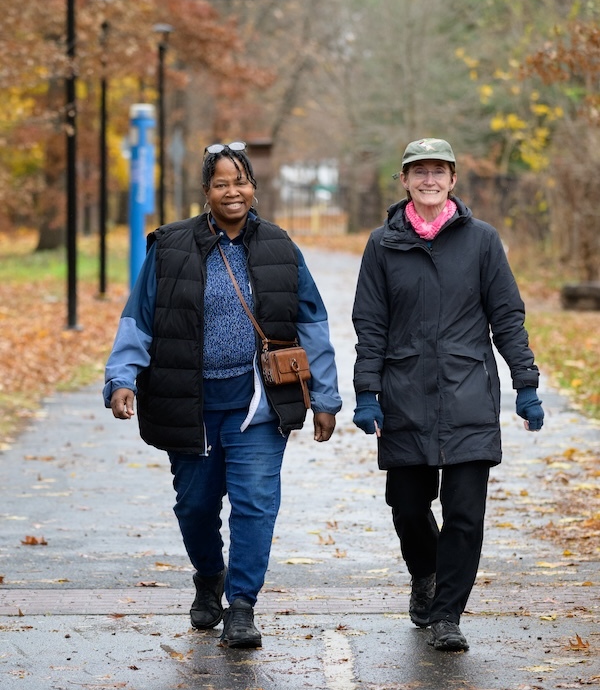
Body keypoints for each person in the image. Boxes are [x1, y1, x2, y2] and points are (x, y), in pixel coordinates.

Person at [104, 141, 341, 649]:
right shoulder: (169, 246)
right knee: (195, 506)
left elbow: (313, 324)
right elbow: (139, 318)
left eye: (241, 182)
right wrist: (121, 376)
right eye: (221, 183)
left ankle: (241, 606)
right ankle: (208, 575)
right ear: (206, 192)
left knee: (256, 503)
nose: (232, 192)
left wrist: (325, 398)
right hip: (188, 403)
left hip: (258, 404)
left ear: (253, 187)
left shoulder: (280, 247)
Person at [352, 137, 544, 652]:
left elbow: (506, 317)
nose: (429, 180)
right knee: (408, 507)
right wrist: (367, 390)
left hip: (467, 394)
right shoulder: (382, 244)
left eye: (439, 171)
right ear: (406, 180)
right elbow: (369, 324)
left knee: (465, 514)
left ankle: (447, 615)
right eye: (420, 172)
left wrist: (526, 383)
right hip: (404, 393)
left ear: (453, 179)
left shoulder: (482, 241)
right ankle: (426, 572)